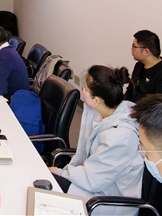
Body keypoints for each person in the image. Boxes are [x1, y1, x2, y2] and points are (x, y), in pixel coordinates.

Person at [49, 66, 143, 213]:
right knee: (47, 179)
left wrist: (61, 172)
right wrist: (64, 171)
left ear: (97, 100)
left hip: (107, 201)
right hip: (96, 183)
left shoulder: (120, 136)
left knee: (47, 183)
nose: (82, 91)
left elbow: (93, 179)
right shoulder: (102, 112)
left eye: (85, 90)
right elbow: (87, 157)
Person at [124, 30, 162, 103]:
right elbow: (130, 90)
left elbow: (161, 105)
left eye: (134, 46)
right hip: (132, 107)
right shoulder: (139, 66)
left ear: (146, 51)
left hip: (149, 109)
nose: (132, 49)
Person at [0, 25, 29, 99]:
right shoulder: (8, 49)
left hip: (16, 100)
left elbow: (0, 90)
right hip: (19, 95)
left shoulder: (2, 56)